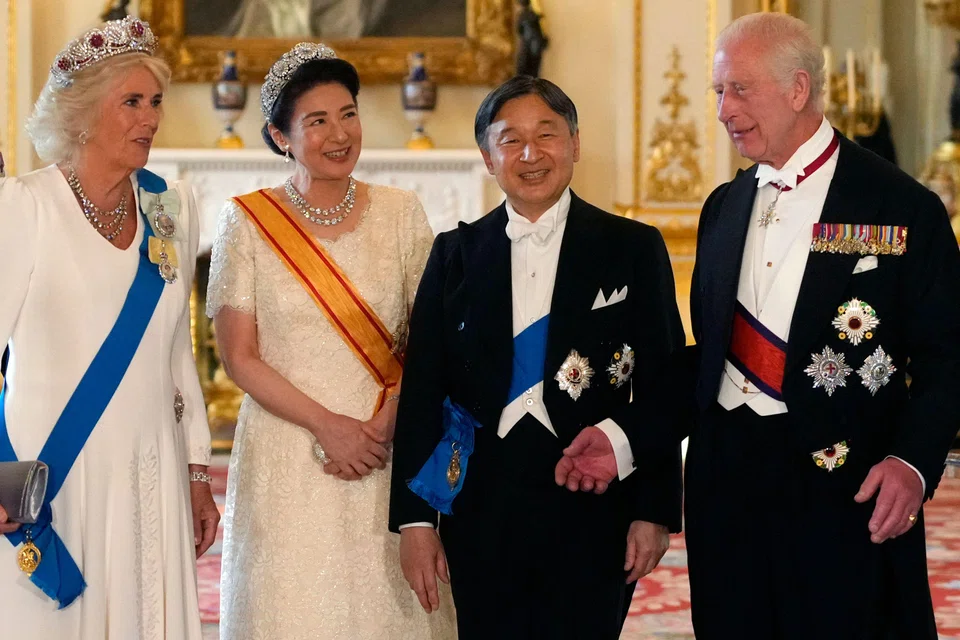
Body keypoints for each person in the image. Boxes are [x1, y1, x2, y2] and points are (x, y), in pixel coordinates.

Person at [557, 12, 960, 639]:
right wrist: (623, 436)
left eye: (738, 89)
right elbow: (712, 359)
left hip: (844, 490)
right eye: (718, 91)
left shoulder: (900, 206)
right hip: (728, 488)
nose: (722, 109)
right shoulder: (726, 204)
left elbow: (948, 356)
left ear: (798, 90)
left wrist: (911, 461)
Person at [389, 75, 684, 640]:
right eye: (510, 140)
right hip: (478, 500)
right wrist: (414, 519)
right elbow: (424, 385)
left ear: (574, 143)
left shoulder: (631, 246)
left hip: (593, 493)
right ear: (486, 156)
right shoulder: (454, 254)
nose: (530, 154)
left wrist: (654, 509)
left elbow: (662, 384)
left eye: (546, 135)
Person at [209, 43, 455, 639]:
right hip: (288, 449)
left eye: (348, 114)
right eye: (316, 121)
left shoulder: (402, 212)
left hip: (385, 443)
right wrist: (328, 425)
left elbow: (431, 338)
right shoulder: (246, 220)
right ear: (280, 135)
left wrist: (391, 419)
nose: (339, 133)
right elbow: (239, 357)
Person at [0, 16, 217, 639]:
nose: (149, 118)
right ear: (82, 115)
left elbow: (179, 354)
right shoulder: (25, 207)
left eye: (154, 102)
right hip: (54, 472)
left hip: (151, 462)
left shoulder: (170, 207)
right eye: (131, 103)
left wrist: (197, 472)